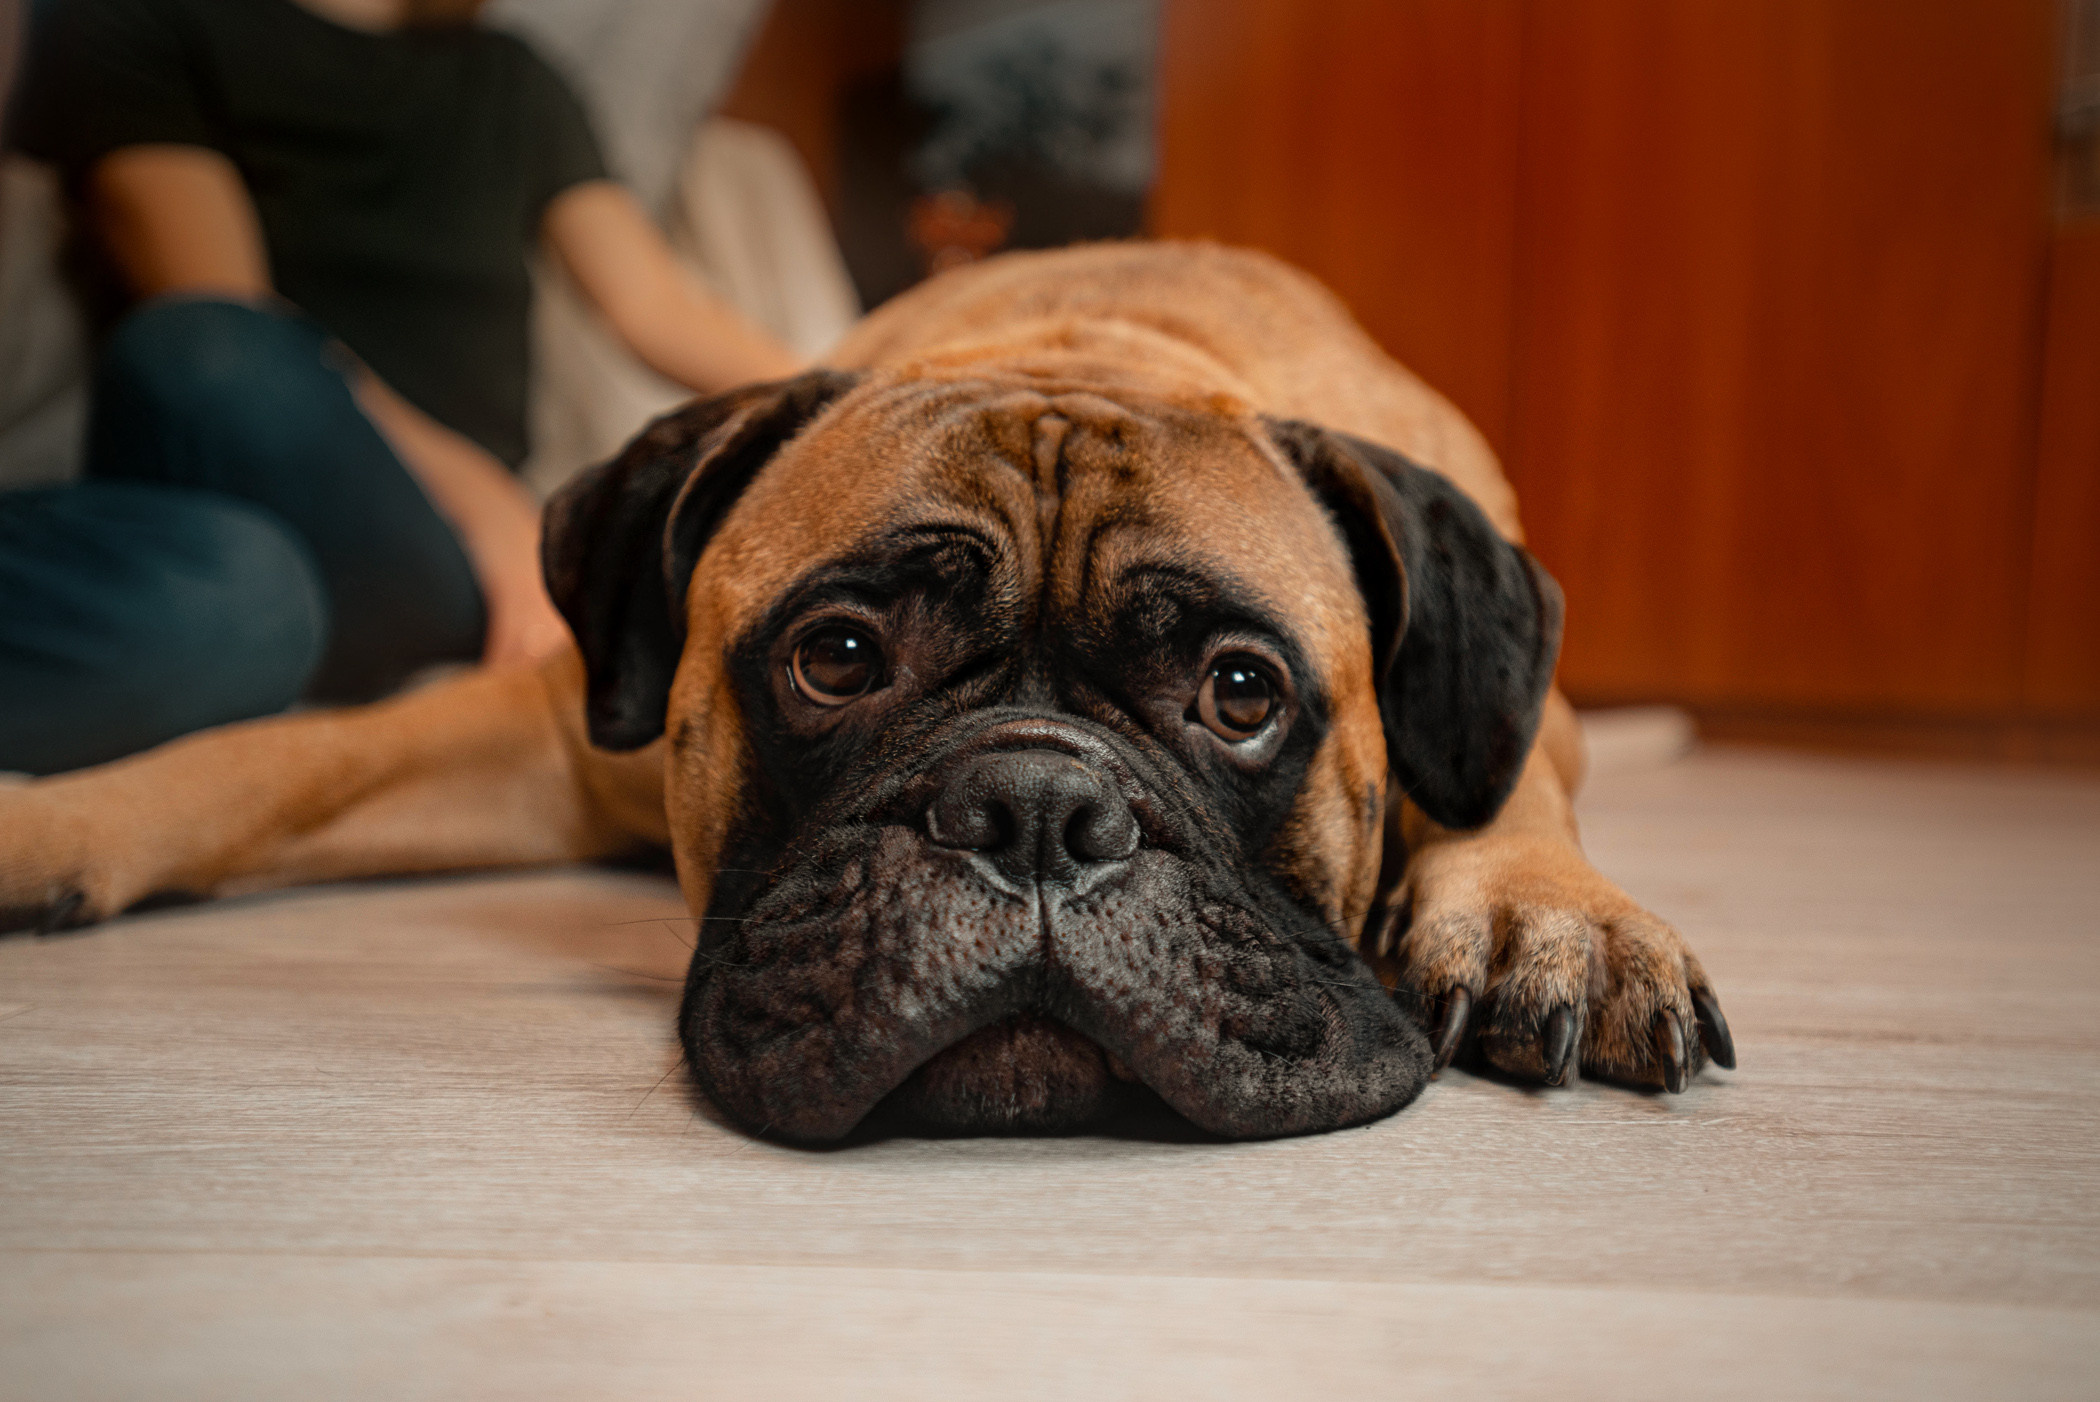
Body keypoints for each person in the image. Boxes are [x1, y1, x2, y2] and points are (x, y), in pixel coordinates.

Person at [0, 0, 801, 774]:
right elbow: (227, 318)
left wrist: (877, 390)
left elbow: (654, 305)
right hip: (255, 454)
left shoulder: (510, 76)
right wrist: (486, 503)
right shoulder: (149, 19)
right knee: (199, 349)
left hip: (412, 554)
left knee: (246, 599)